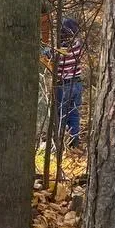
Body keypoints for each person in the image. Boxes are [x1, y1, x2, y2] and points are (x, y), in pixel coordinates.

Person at [50, 18, 85, 148]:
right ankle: (74, 139)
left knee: (61, 115)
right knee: (74, 113)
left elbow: (49, 55)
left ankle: (59, 143)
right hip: (77, 84)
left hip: (63, 85)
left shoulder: (60, 51)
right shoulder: (78, 46)